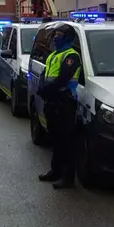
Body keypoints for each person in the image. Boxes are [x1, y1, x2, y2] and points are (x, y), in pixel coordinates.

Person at [38, 23, 82, 189]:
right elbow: (45, 75)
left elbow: (63, 78)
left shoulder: (71, 56)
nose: (55, 37)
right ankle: (55, 171)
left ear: (67, 37)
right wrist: (42, 89)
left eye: (59, 34)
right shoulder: (53, 55)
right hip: (52, 101)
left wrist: (46, 90)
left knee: (66, 141)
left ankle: (68, 177)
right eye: (55, 34)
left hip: (64, 102)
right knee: (55, 139)